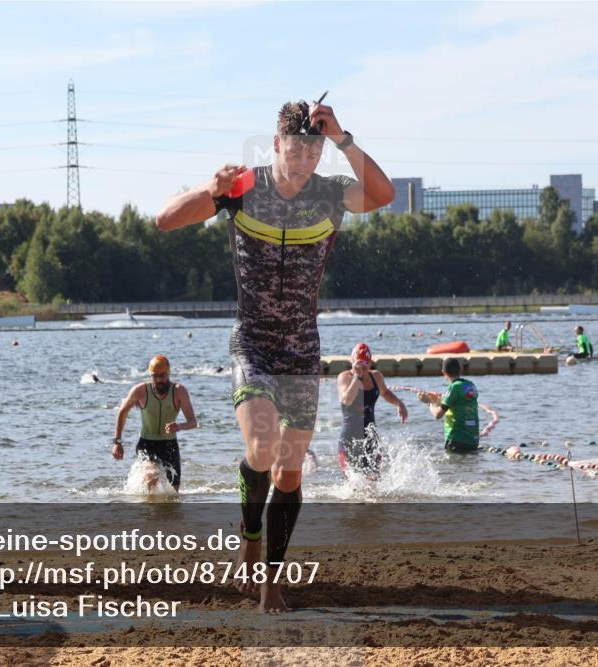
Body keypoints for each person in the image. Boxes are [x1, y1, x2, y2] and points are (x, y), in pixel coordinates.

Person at [156, 96, 394, 612]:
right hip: (255, 344)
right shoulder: (244, 186)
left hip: (302, 348)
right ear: (276, 145)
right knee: (262, 448)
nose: (303, 163)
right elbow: (165, 220)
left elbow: (383, 194)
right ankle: (249, 539)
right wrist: (209, 190)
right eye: (294, 152)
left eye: (312, 154)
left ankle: (271, 580)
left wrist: (344, 140)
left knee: (289, 471)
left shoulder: (330, 195)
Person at [111, 355, 197, 491]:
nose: (159, 380)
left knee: (174, 493)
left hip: (170, 446)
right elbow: (122, 411)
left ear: (168, 374)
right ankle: (149, 511)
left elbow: (193, 422)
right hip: (147, 443)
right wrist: (117, 442)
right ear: (150, 375)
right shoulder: (140, 391)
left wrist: (179, 426)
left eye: (162, 375)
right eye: (155, 376)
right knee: (151, 476)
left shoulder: (179, 391)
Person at [336, 342, 408, 479]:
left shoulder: (376, 376)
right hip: (350, 439)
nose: (363, 368)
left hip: (371, 438)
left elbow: (385, 393)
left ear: (370, 363)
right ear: (351, 361)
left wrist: (399, 404)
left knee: (374, 482)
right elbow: (347, 400)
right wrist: (357, 377)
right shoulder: (344, 378)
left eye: (366, 364)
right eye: (359, 363)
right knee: (354, 485)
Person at [417, 357, 480, 453]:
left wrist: (429, 402)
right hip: (473, 441)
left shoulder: (454, 387)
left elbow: (438, 415)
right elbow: (458, 403)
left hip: (456, 440)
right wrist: (437, 399)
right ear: (460, 369)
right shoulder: (470, 385)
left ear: (444, 372)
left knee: (454, 467)